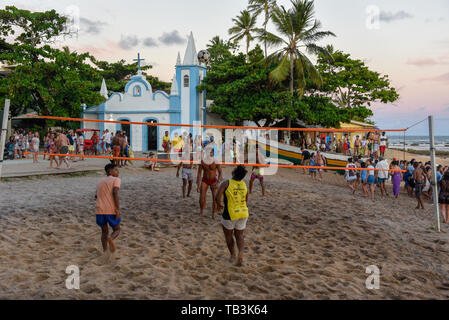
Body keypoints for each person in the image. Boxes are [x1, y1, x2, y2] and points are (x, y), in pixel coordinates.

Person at [215, 165, 249, 266]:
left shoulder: (226, 183)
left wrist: (219, 205)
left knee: (229, 236)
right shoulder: (244, 184)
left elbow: (217, 197)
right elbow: (246, 199)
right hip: (243, 212)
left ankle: (233, 255)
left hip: (230, 213)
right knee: (239, 235)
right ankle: (241, 253)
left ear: (233, 173)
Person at [95, 164, 121, 253]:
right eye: (116, 170)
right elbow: (115, 192)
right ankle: (111, 238)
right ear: (110, 172)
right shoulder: (116, 180)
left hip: (99, 210)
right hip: (110, 210)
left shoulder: (100, 181)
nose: (118, 172)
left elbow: (96, 196)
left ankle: (105, 251)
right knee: (117, 229)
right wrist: (117, 208)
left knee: (104, 232)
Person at [197, 147, 223, 218]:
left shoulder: (216, 161)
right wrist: (198, 185)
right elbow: (199, 174)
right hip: (205, 180)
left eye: (211, 152)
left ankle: (213, 213)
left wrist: (218, 182)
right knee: (201, 197)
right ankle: (201, 211)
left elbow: (220, 173)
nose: (210, 153)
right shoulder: (202, 161)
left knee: (214, 198)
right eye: (209, 152)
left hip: (213, 180)